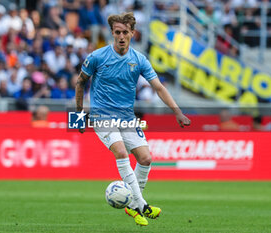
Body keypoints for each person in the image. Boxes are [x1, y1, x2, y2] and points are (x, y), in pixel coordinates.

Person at [75, 12, 191, 226]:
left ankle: (132, 206)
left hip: (127, 117)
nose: (121, 36)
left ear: (132, 34)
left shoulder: (138, 60)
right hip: (102, 115)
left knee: (146, 158)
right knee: (120, 152)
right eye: (117, 32)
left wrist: (177, 111)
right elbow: (80, 82)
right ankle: (141, 205)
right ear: (112, 33)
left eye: (125, 32)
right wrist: (80, 114)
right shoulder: (98, 57)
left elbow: (158, 87)